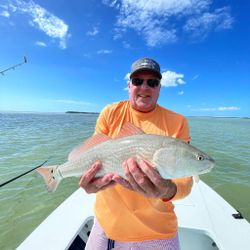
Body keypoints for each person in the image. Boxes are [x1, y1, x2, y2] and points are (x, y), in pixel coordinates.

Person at [71, 58, 193, 249]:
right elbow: (93, 153)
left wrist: (167, 190)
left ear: (160, 88)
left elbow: (186, 181)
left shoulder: (178, 121)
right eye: (138, 81)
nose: (144, 87)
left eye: (152, 83)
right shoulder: (110, 112)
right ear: (129, 85)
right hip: (105, 225)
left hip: (157, 231)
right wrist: (90, 183)